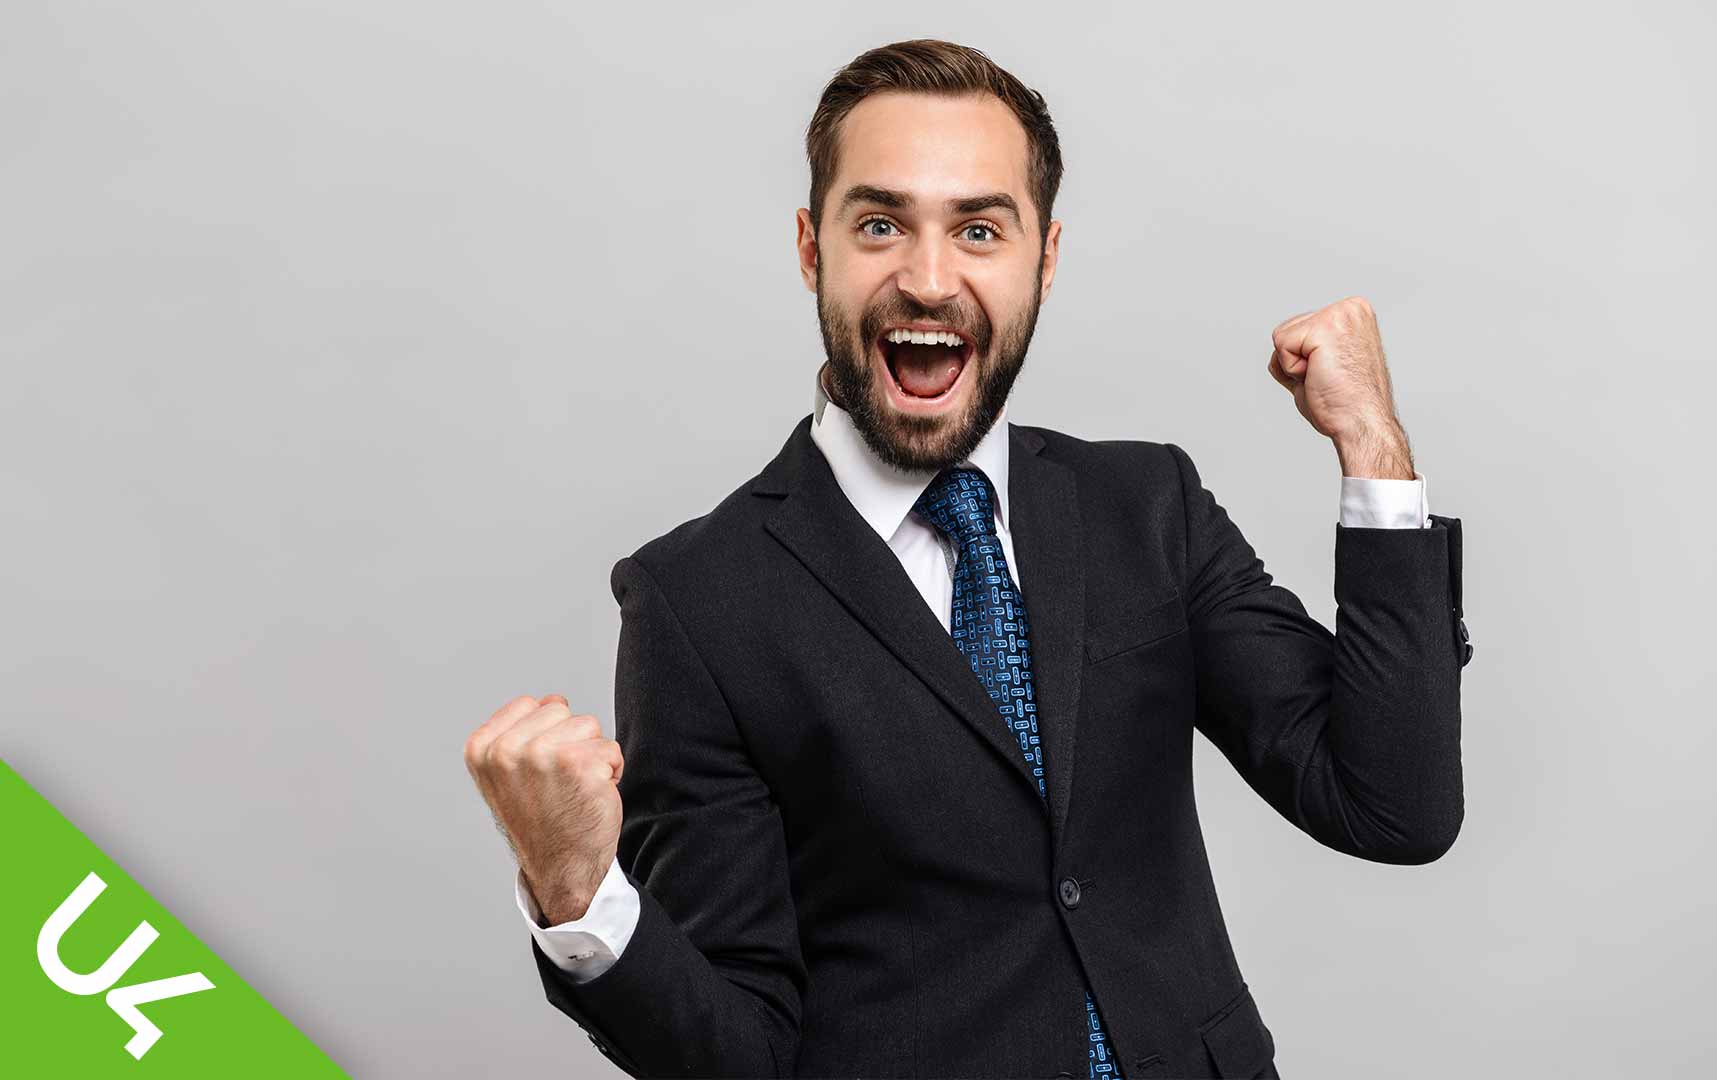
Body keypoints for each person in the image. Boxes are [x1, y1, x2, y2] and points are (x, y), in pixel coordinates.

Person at [463, 38, 1469, 1079]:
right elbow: (741, 1055)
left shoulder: (1147, 506)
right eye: (881, 223)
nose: (929, 279)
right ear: (813, 248)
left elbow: (1393, 804)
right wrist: (580, 893)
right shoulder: (699, 601)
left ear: (1046, 256)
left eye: (980, 228)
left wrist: (1374, 448)